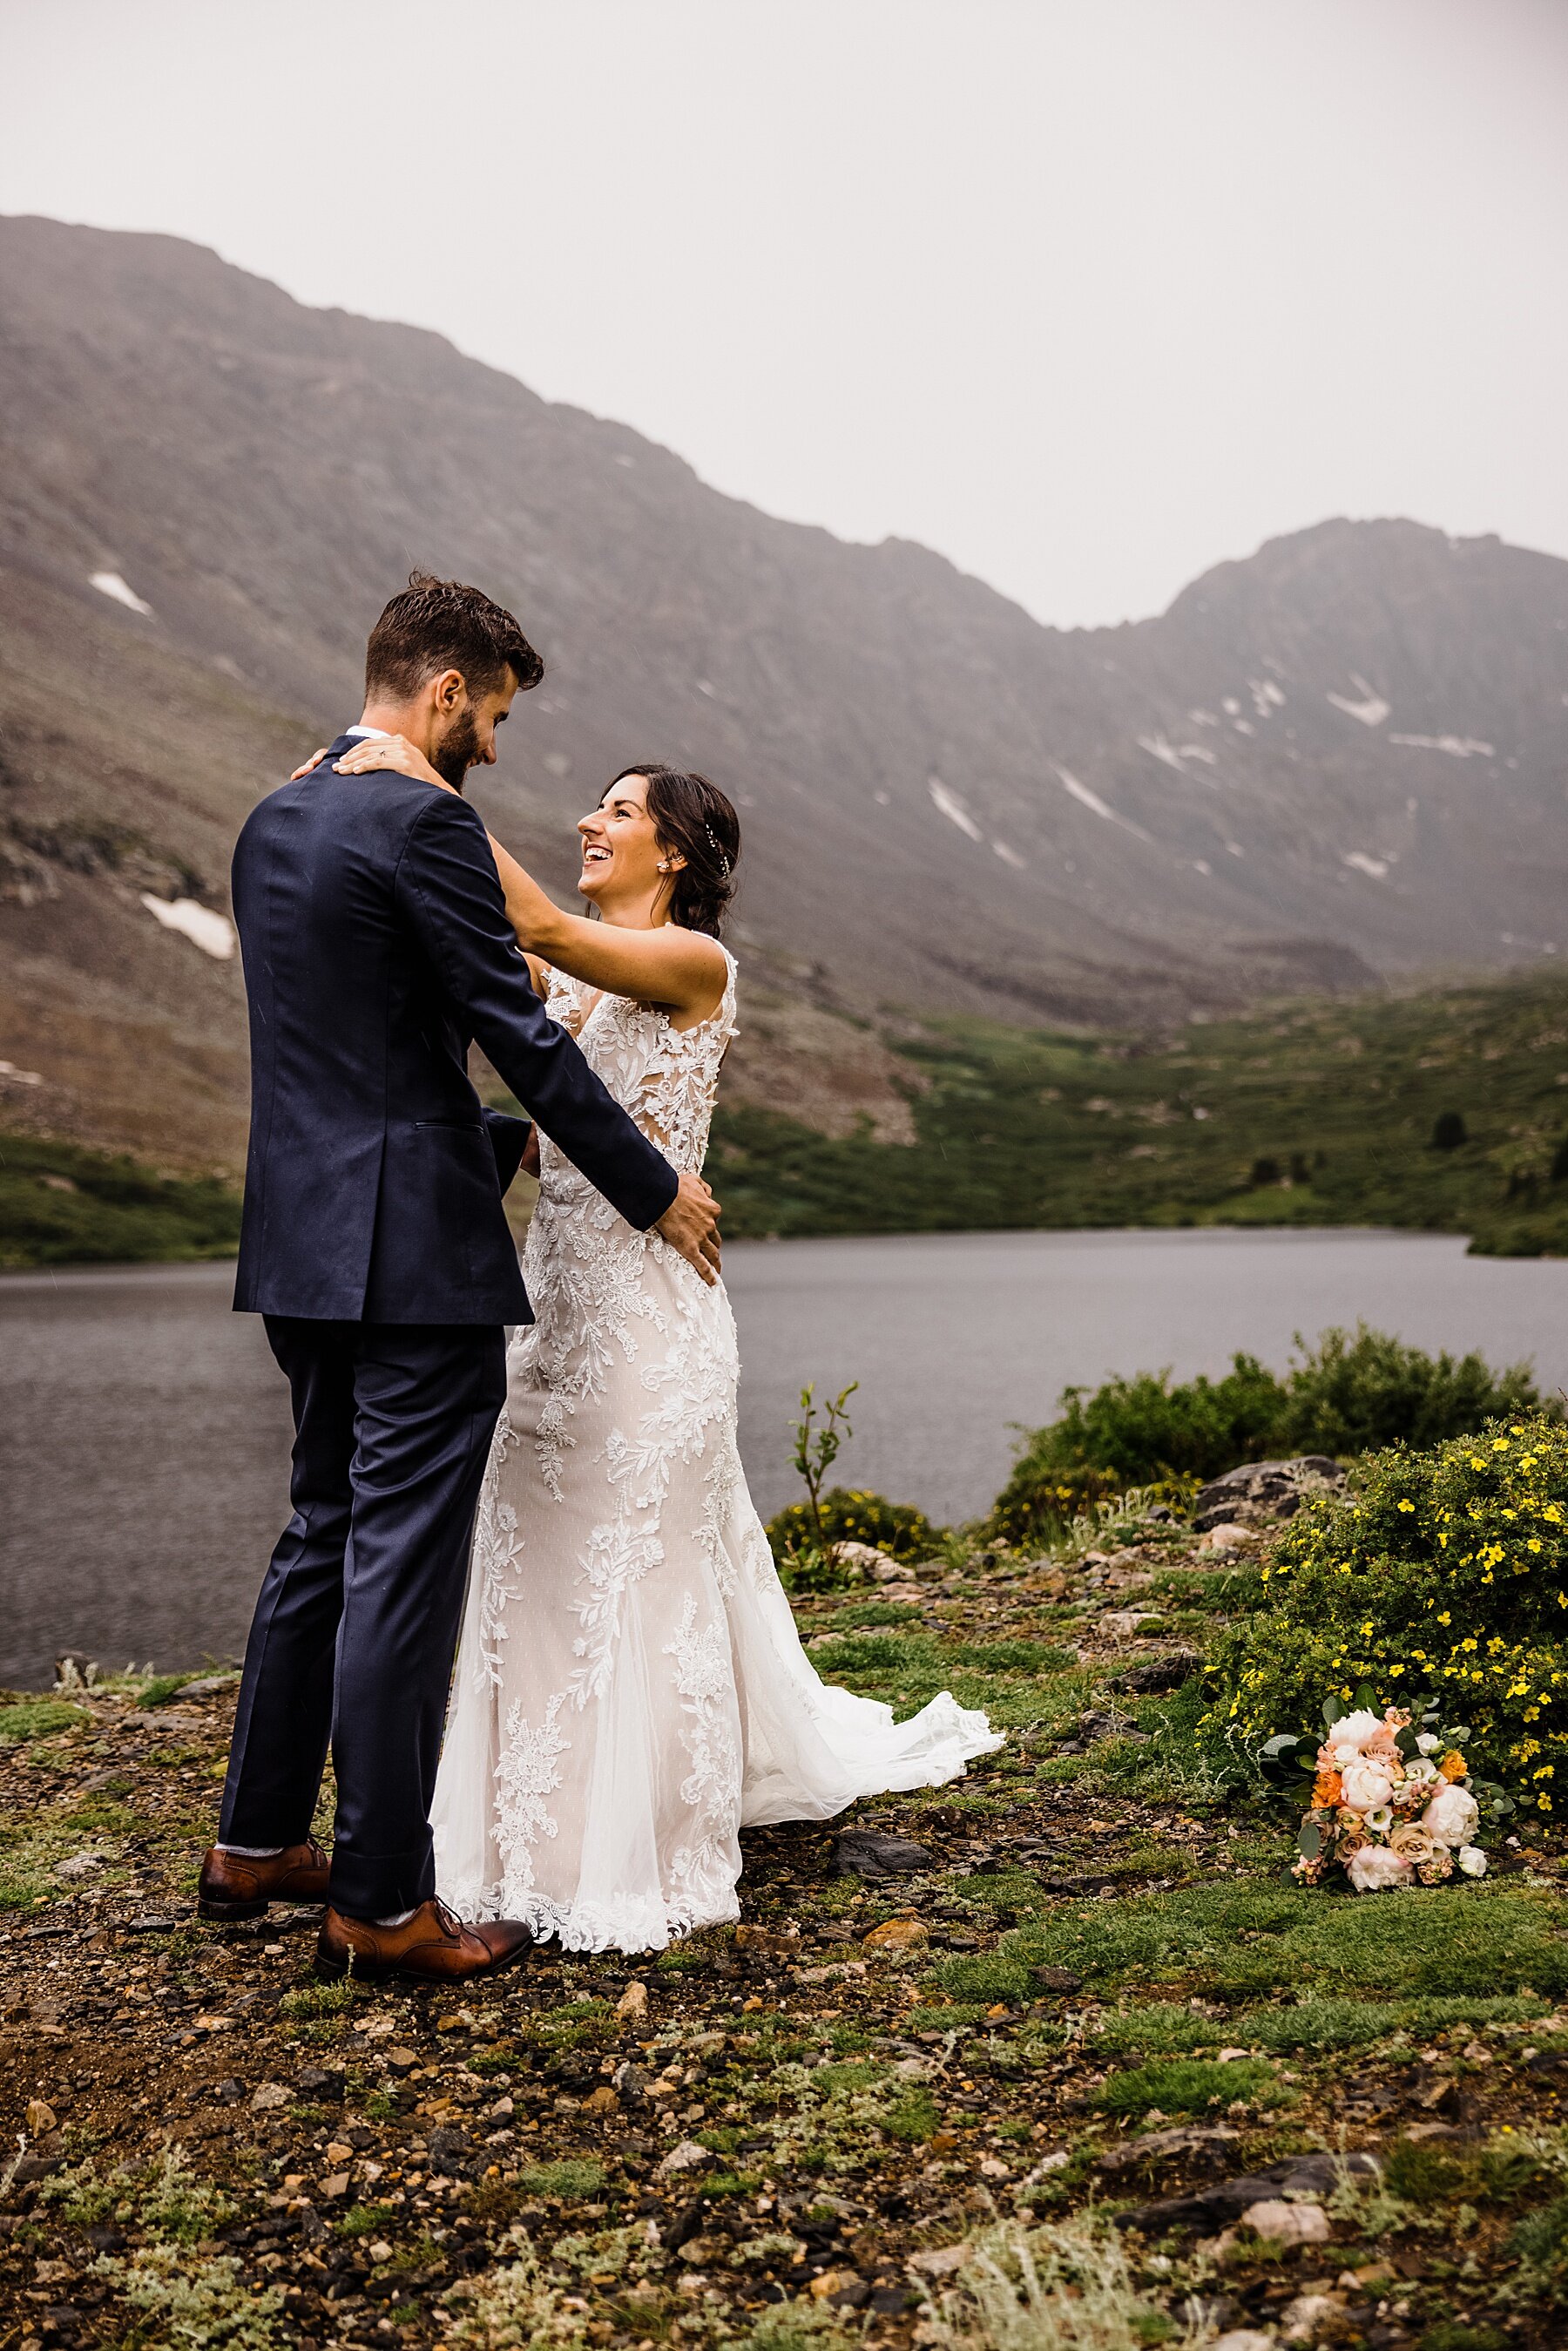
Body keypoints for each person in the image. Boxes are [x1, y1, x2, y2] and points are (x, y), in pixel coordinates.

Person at [318, 732, 1002, 1954]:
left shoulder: (693, 958)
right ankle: (519, 1830)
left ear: (673, 851)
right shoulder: (570, 986)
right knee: (530, 1563)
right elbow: (546, 1062)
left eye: (618, 810)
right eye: (594, 804)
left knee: (636, 1566)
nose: (591, 819)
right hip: (553, 1302)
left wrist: (414, 767)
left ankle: (641, 1839)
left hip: (648, 1319)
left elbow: (540, 924)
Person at [198, 575, 721, 1985]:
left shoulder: (272, 817)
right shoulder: (424, 821)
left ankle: (253, 1841)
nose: (492, 745)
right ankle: (376, 1899)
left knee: (319, 1529)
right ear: (444, 695)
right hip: (414, 1254)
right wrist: (652, 1183)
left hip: (298, 1242)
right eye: (489, 716)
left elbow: (355, 1045)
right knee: (399, 1566)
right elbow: (516, 1032)